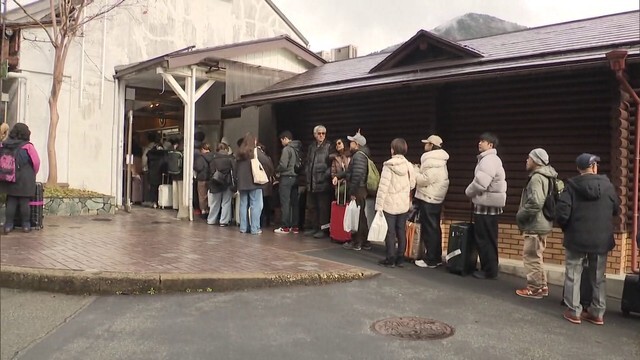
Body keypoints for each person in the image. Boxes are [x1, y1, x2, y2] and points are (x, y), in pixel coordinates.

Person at [556, 153, 620, 325]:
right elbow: (616, 209)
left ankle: (574, 311)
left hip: (576, 238)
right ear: (594, 167)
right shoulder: (608, 186)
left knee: (573, 275)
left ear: (579, 168)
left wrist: (568, 229)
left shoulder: (571, 187)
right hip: (601, 239)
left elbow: (562, 213)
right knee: (598, 276)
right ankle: (597, 312)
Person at [515, 148, 558, 299]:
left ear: (536, 161)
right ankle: (542, 286)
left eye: (529, 158)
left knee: (531, 256)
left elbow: (535, 202)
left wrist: (520, 214)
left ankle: (534, 288)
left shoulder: (536, 178)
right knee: (537, 256)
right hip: (544, 222)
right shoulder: (547, 176)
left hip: (535, 224)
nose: (527, 160)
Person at [465, 132, 507, 280]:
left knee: (484, 238)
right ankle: (490, 268)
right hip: (490, 205)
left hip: (486, 206)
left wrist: (468, 192)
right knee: (489, 238)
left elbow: (481, 183)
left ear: (491, 145)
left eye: (483, 141)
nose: (479, 143)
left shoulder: (488, 160)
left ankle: (488, 270)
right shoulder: (490, 159)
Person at [375, 138, 416, 267]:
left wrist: (379, 206)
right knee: (401, 231)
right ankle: (400, 258)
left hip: (389, 204)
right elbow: (413, 184)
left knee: (390, 232)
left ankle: (390, 258)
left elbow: (383, 187)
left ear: (393, 149)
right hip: (403, 204)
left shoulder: (389, 165)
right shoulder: (409, 165)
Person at [413, 135, 450, 269]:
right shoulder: (439, 160)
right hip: (435, 198)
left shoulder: (432, 160)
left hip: (428, 198)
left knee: (430, 229)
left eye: (427, 143)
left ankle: (431, 260)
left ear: (431, 145)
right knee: (434, 228)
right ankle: (436, 258)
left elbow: (424, 180)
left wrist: (415, 171)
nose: (425, 145)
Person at [0, 123, 40, 234]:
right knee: (24, 202)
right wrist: (33, 173)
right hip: (25, 178)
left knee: (11, 201)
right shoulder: (28, 146)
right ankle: (26, 226)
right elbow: (36, 163)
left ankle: (8, 226)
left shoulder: (4, 145)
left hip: (8, 177)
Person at [342, 130, 372, 251]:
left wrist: (352, 192)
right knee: (361, 215)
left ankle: (357, 242)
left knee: (357, 215)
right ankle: (365, 241)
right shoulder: (362, 155)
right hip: (361, 188)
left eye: (352, 142)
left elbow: (357, 174)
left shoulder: (358, 156)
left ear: (357, 144)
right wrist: (340, 175)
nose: (350, 144)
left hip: (358, 189)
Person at [235, 133, 270, 235]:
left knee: (243, 204)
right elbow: (267, 162)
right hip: (255, 182)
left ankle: (243, 227)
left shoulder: (239, 153)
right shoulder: (256, 152)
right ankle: (255, 228)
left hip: (242, 183)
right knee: (256, 205)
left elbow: (235, 168)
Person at [304, 125, 333, 238]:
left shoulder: (329, 146)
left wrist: (325, 175)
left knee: (323, 208)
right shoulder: (312, 146)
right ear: (315, 134)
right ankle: (314, 227)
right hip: (312, 182)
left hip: (323, 183)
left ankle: (324, 229)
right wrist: (307, 174)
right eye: (319, 133)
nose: (321, 135)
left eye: (323, 133)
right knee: (312, 206)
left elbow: (332, 165)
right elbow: (308, 162)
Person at [274, 131, 303, 234]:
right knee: (294, 203)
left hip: (286, 178)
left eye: (281, 140)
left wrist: (277, 170)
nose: (281, 143)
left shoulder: (287, 149)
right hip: (295, 178)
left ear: (285, 139)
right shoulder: (298, 149)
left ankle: (285, 226)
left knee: (285, 202)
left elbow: (283, 164)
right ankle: (295, 226)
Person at [207, 142, 235, 227]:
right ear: (226, 149)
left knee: (215, 203)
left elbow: (211, 172)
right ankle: (224, 221)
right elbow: (234, 171)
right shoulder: (230, 159)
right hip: (227, 182)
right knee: (226, 202)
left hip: (215, 183)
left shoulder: (213, 159)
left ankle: (211, 220)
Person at [257, 142, 276, 228]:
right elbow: (272, 170)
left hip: (259, 183)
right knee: (266, 203)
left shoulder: (256, 158)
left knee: (259, 204)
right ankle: (266, 221)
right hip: (267, 184)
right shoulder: (268, 159)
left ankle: (260, 222)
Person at [193, 143, 212, 218]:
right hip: (210, 178)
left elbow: (198, 167)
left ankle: (203, 211)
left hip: (202, 178)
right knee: (209, 195)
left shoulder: (200, 158)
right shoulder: (213, 156)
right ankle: (208, 209)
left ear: (203, 149)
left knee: (202, 195)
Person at [330, 137, 351, 202]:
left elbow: (350, 169)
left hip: (349, 184)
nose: (337, 145)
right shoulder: (335, 158)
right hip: (340, 184)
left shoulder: (350, 156)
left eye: (339, 143)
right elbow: (333, 172)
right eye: (336, 144)